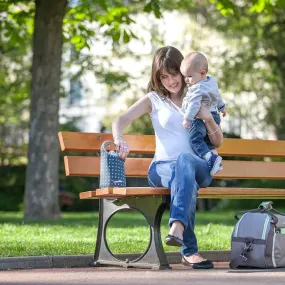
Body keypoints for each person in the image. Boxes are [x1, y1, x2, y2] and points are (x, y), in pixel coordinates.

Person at [112, 46, 223, 269]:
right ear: (157, 77)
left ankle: (180, 231)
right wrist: (119, 139)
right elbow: (120, 120)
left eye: (174, 74)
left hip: (196, 166)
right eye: (164, 76)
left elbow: (218, 141)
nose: (171, 81)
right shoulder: (154, 99)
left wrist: (208, 119)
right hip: (161, 168)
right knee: (184, 178)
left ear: (183, 72)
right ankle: (187, 246)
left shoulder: (199, 95)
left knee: (185, 164)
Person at [180, 52, 226, 176]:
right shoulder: (212, 82)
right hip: (215, 114)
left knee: (195, 139)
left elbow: (194, 105)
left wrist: (187, 119)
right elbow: (217, 95)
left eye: (189, 76)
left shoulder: (197, 88)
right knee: (208, 142)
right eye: (184, 76)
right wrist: (222, 107)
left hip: (198, 117)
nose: (186, 80)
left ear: (202, 73)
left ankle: (209, 158)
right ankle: (216, 160)